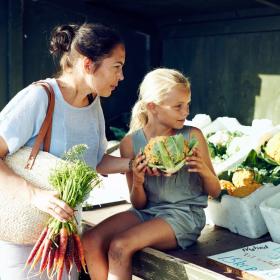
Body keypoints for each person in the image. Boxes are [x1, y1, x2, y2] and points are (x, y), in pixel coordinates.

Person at [0, 23, 131, 280]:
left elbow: (93, 161)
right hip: (23, 241)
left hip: (65, 239)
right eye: (117, 66)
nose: (122, 76)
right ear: (88, 64)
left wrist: (132, 164)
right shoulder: (39, 97)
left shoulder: (93, 105)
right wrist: (36, 195)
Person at [82, 68, 221, 280]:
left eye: (187, 105)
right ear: (153, 107)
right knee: (90, 240)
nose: (186, 112)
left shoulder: (192, 135)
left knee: (120, 246)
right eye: (178, 107)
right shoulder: (130, 143)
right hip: (146, 211)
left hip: (184, 215)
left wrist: (203, 170)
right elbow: (138, 204)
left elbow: (216, 190)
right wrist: (137, 182)